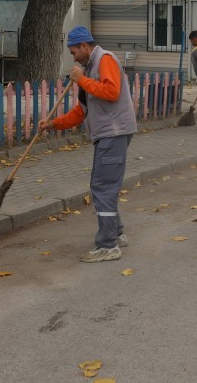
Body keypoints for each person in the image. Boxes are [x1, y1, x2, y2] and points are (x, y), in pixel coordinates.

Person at [40, 26, 136, 263]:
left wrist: (81, 80)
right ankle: (116, 233)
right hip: (108, 134)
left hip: (113, 133)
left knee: (103, 187)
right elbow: (81, 111)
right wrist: (53, 124)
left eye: (74, 52)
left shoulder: (104, 59)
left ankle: (107, 246)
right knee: (105, 186)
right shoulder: (89, 69)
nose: (73, 57)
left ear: (85, 46)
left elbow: (112, 92)